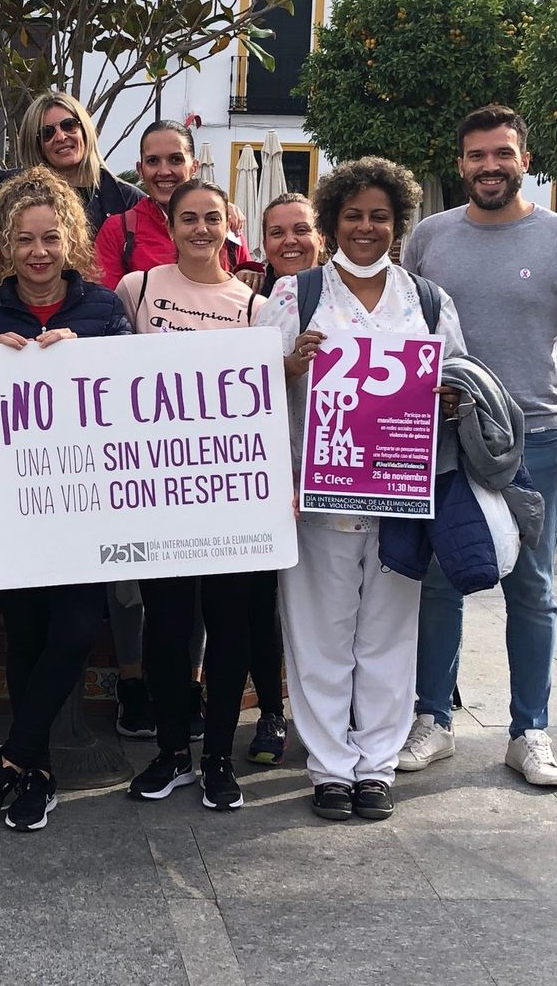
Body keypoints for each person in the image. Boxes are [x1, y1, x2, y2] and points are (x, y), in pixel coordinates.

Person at [398, 105, 557, 788]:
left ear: (524, 157)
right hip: (442, 441)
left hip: (534, 441)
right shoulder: (430, 237)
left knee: (533, 587)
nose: (490, 166)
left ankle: (530, 731)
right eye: (477, 156)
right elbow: (402, 325)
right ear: (459, 162)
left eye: (502, 154)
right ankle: (433, 719)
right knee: (439, 583)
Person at [253, 156, 466, 822]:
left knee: (388, 638)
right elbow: (254, 389)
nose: (366, 227)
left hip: (399, 500)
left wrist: (448, 397)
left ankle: (374, 766)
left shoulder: (426, 299)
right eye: (353, 215)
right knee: (318, 638)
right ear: (332, 222)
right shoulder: (296, 295)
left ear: (398, 223)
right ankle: (328, 770)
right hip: (316, 498)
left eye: (379, 215)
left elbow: (458, 380)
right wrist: (293, 362)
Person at [0, 168, 131, 831]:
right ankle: (40, 772)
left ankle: (13, 757)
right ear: (6, 244)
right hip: (15, 507)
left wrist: (82, 355)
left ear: (71, 241)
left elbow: (128, 395)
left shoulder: (104, 308)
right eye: (24, 240)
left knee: (79, 627)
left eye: (50, 238)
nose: (37, 252)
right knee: (26, 634)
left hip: (86, 508)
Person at [115, 180, 264, 811]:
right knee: (168, 629)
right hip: (159, 492)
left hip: (232, 497)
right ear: (169, 225)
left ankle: (220, 757)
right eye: (188, 219)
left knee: (231, 631)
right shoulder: (137, 290)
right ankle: (173, 751)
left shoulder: (255, 305)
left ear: (228, 224)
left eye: (212, 219)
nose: (200, 229)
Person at [233, 190, 329, 766]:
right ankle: (273, 711)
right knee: (265, 604)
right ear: (262, 243)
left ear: (321, 235)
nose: (289, 241)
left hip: (341, 476)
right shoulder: (259, 304)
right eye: (277, 232)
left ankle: (333, 713)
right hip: (273, 473)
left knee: (329, 601)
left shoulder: (354, 295)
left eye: (301, 229)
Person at [94, 120, 250, 290]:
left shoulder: (226, 226)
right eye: (153, 161)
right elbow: (107, 304)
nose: (164, 171)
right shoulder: (118, 230)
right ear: (140, 170)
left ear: (194, 166)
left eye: (175, 160)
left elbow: (246, 293)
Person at [10, 91, 144, 236]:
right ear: (36, 145)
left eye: (69, 125)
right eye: (47, 133)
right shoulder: (19, 198)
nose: (61, 137)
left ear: (84, 129)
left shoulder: (129, 200)